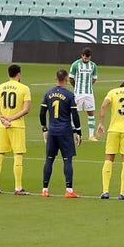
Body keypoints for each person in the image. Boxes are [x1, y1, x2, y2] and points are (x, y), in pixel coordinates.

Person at [40, 68, 82, 198]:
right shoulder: (69, 95)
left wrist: (44, 128)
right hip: (65, 131)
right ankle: (69, 190)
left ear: (56, 79)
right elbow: (75, 115)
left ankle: (45, 190)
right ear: (67, 79)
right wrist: (78, 131)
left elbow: (42, 113)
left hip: (52, 131)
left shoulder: (48, 94)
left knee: (49, 159)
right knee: (67, 160)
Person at [0, 64, 32, 195]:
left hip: (2, 125)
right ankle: (18, 187)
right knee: (18, 155)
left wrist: (2, 119)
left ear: (9, 74)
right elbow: (26, 109)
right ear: (19, 74)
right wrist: (11, 119)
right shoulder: (24, 88)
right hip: (17, 125)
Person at [68, 48, 99, 140]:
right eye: (84, 58)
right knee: (74, 112)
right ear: (82, 55)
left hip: (89, 93)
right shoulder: (75, 64)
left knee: (91, 112)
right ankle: (73, 132)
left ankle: (91, 135)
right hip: (78, 93)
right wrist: (76, 87)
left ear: (90, 57)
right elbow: (71, 78)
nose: (86, 59)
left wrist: (88, 85)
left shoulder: (93, 66)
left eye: (87, 58)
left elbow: (94, 78)